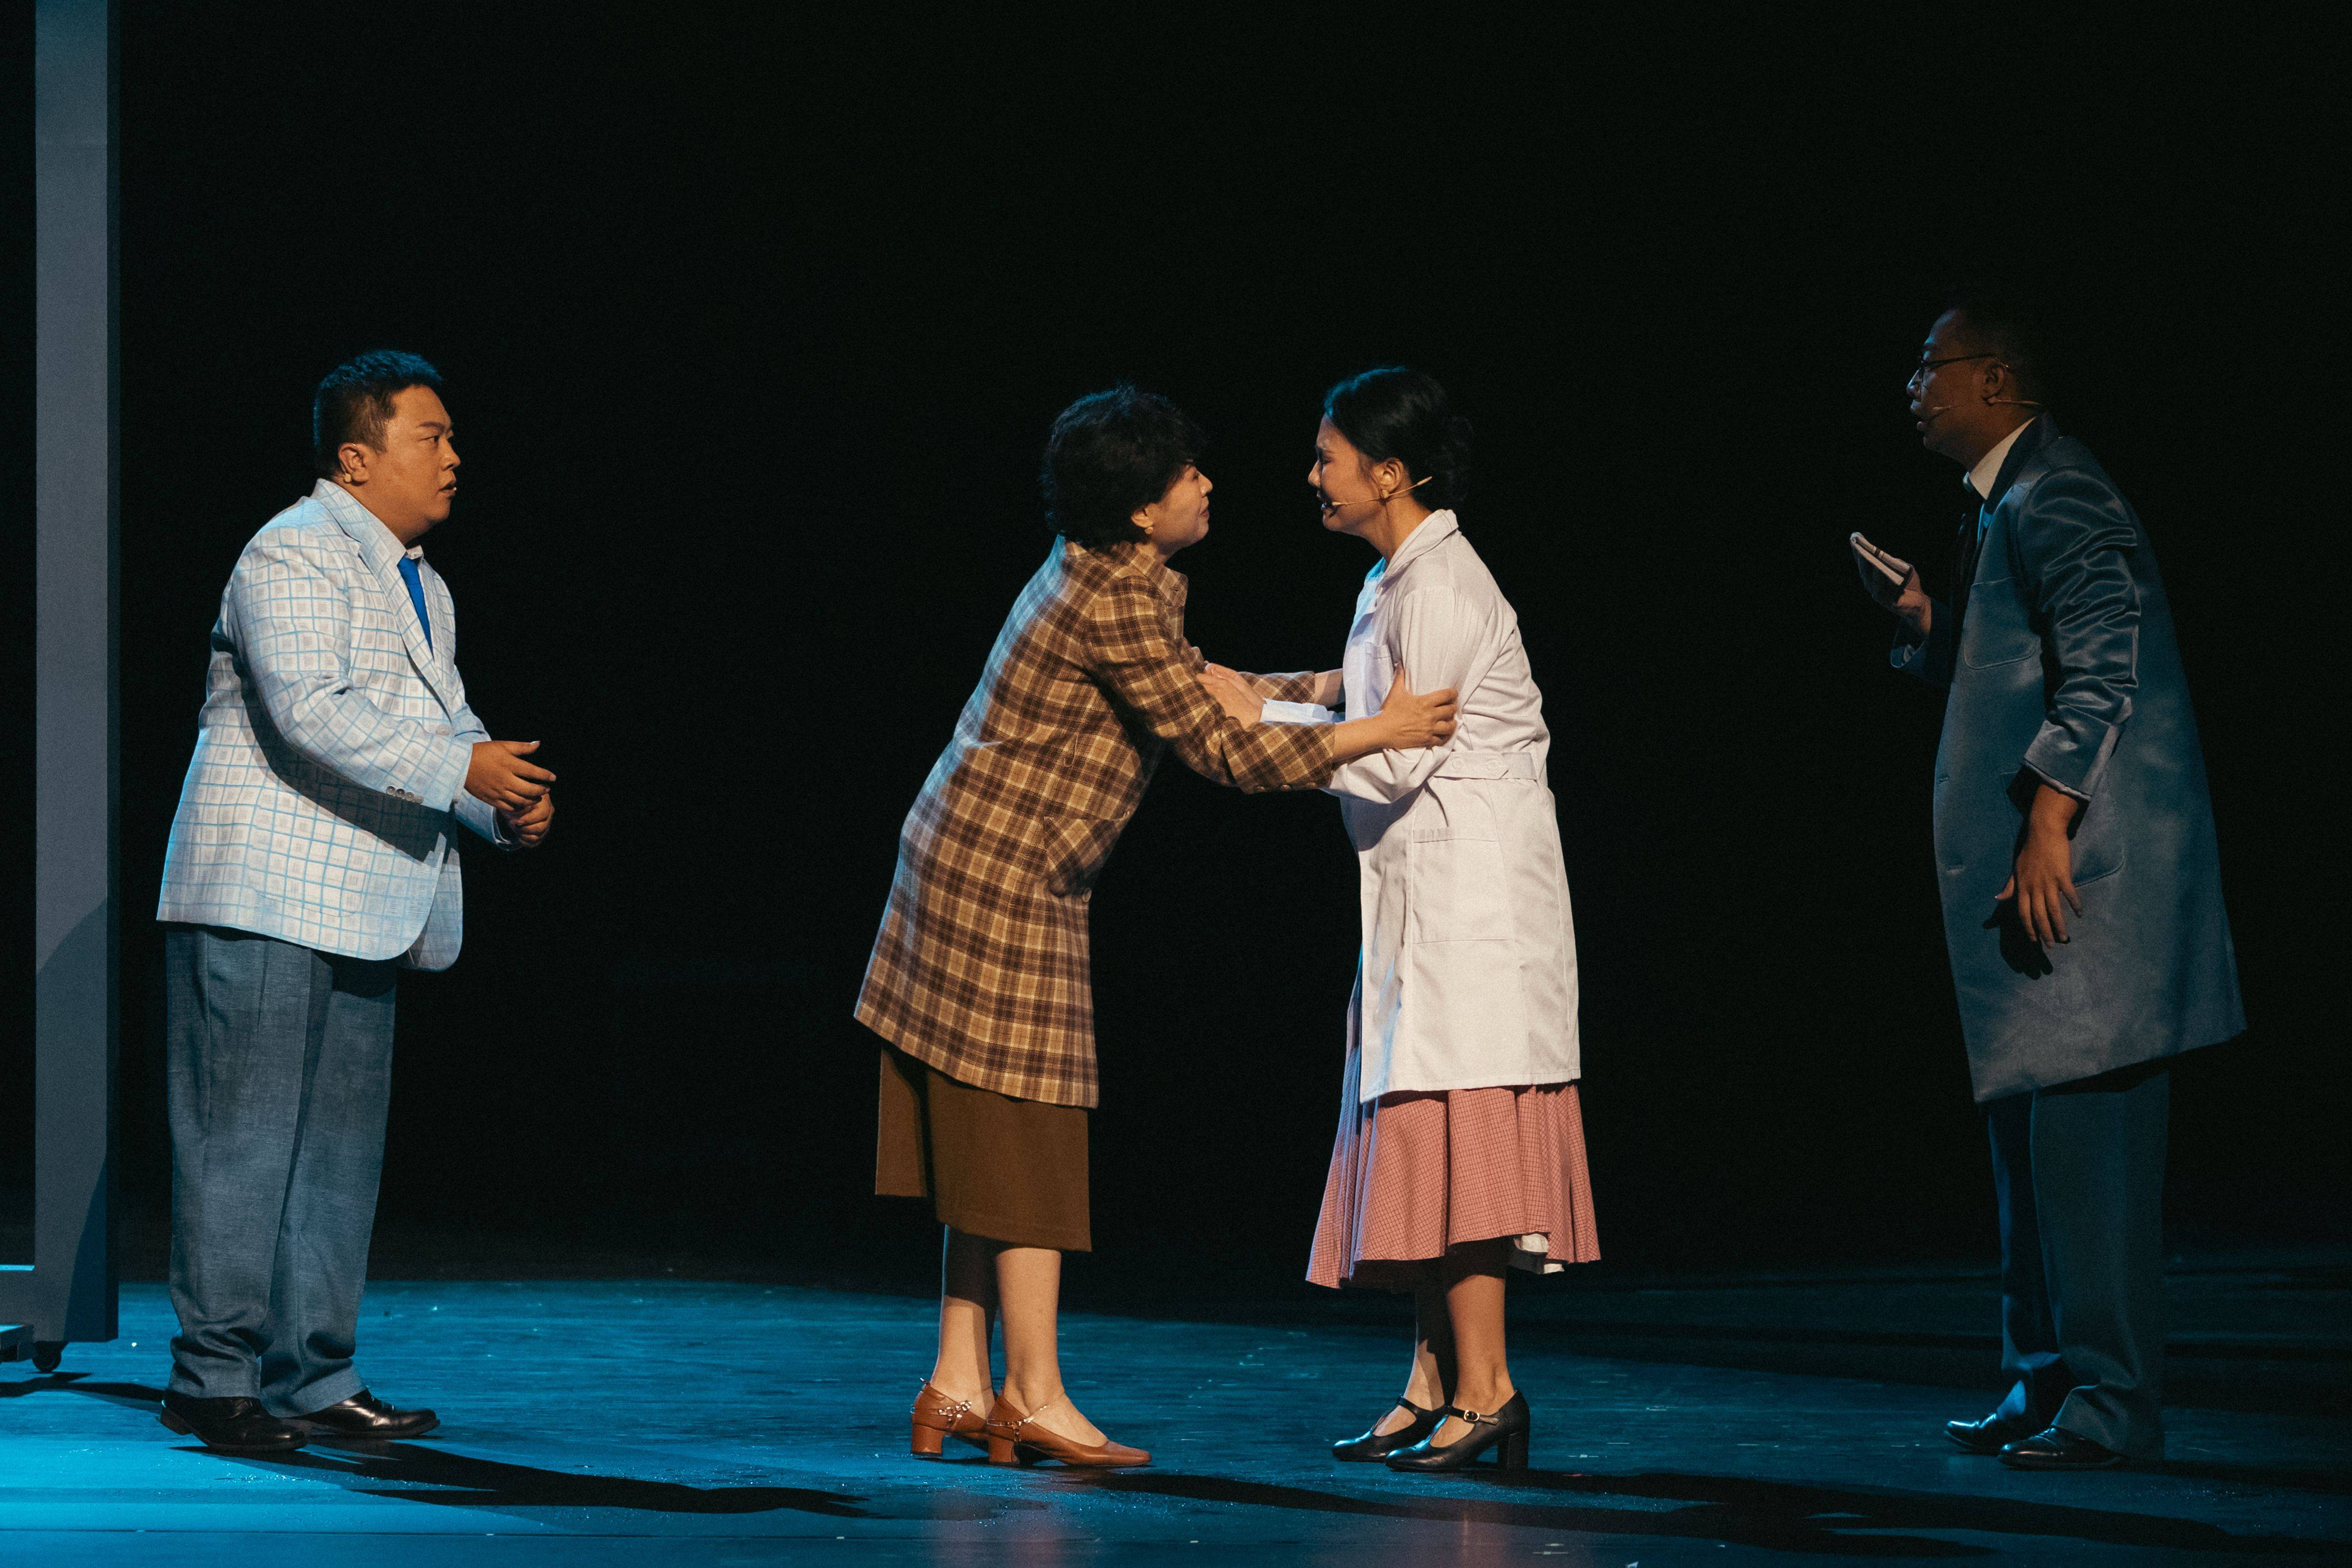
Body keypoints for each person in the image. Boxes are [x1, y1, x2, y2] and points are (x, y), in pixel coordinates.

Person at [858, 385, 1459, 1471]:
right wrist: (1378, 729)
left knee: (988, 1141)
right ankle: (1032, 1394)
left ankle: (958, 1381)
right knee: (1027, 1134)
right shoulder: (1115, 600)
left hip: (975, 863)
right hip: (1001, 884)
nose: (1208, 485)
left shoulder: (1109, 576)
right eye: (1188, 474)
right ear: (1141, 507)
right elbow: (1220, 748)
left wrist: (1339, 688)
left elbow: (1204, 692)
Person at [1854, 292, 2243, 1470]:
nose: (1913, 386)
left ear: (1996, 380)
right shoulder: (2003, 505)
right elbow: (2018, 666)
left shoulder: (2058, 491)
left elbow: (2106, 663)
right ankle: (2044, 1381)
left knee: (2088, 1155)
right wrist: (1928, 620)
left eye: (1931, 365)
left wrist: (2049, 816)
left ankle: (2111, 1402)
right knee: (2032, 1149)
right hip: (2045, 886)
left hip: (2088, 886)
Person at [153, 352, 555, 1454]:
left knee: (337, 1156)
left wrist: (499, 804)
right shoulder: (291, 548)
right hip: (267, 889)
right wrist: (461, 771)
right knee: (241, 1143)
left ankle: (313, 1374)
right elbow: (312, 710)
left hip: (365, 896)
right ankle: (213, 1377)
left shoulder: (422, 581)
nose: (454, 455)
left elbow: (446, 723)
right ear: (355, 457)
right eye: (431, 435)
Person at [1201, 368, 1597, 1474]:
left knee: (1457, 1133)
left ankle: (1489, 1390)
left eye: (1326, 457)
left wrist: (1261, 723)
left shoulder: (1442, 586)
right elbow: (1370, 705)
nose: (1312, 475)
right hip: (1420, 898)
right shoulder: (1393, 578)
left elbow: (1393, 758)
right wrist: (1272, 694)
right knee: (1422, 1132)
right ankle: (1432, 1381)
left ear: (1387, 472)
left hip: (1472, 906)